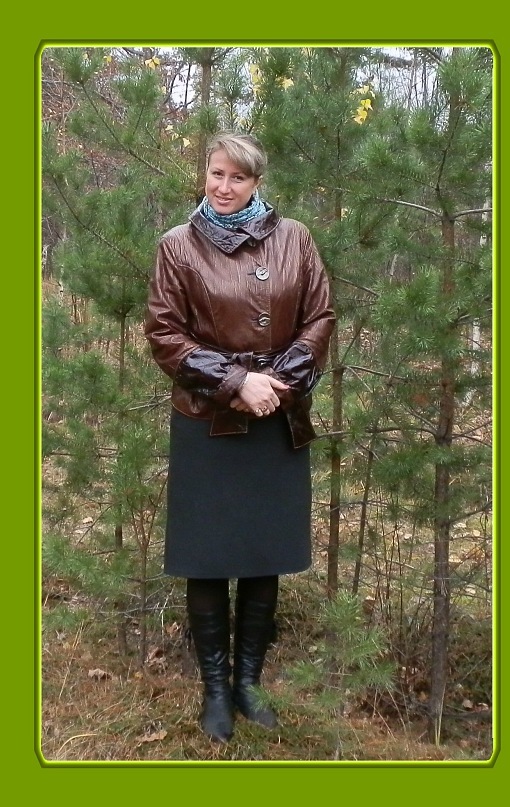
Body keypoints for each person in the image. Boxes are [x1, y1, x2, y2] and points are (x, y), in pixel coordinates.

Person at [145, 132, 335, 743]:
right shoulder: (177, 246)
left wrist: (277, 384)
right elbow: (165, 334)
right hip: (208, 419)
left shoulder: (296, 238)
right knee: (207, 556)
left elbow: (320, 318)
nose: (224, 187)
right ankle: (215, 690)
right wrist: (235, 382)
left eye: (238, 177)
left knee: (262, 553)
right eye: (216, 174)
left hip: (277, 417)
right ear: (204, 174)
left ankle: (249, 684)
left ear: (257, 183)